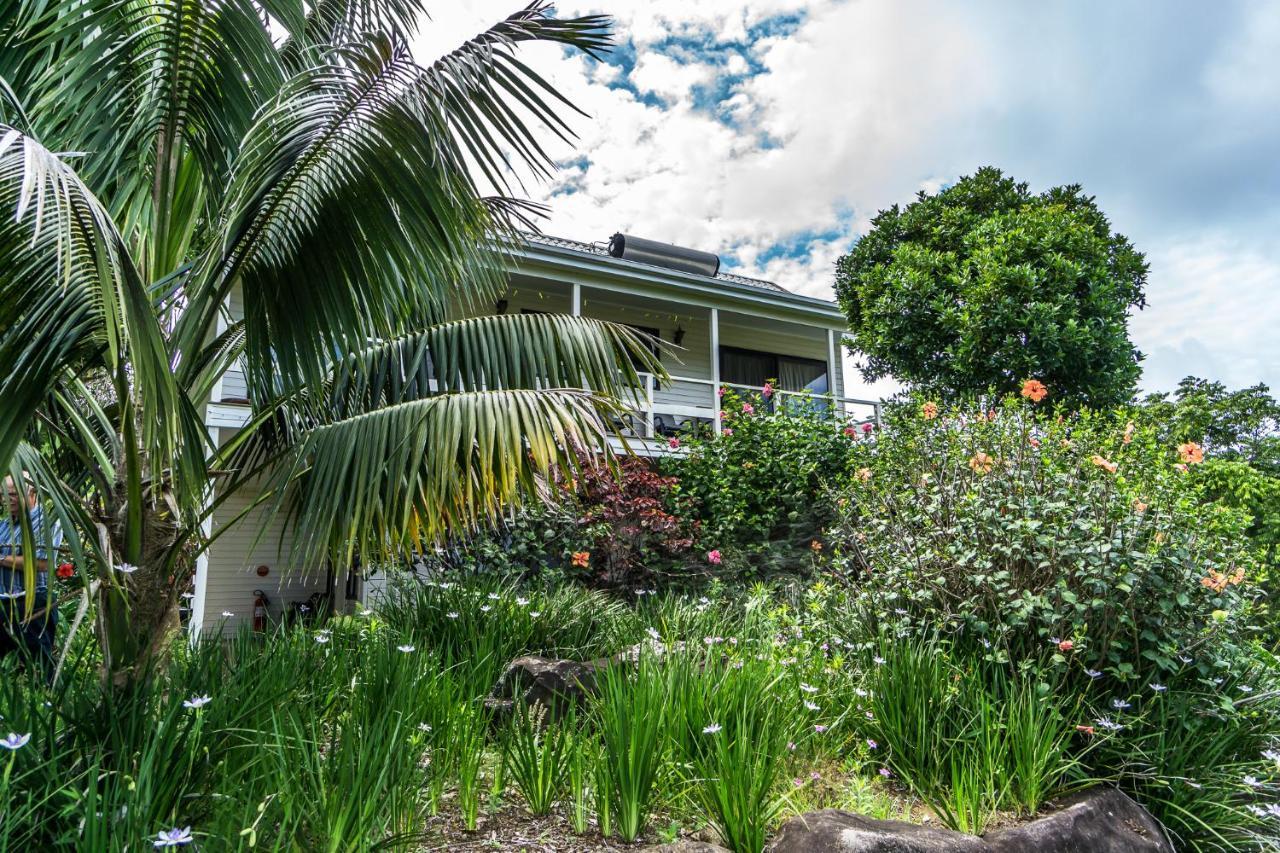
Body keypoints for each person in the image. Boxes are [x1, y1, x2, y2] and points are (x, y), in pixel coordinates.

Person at [0, 474, 63, 681]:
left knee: (38, 666)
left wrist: (1, 558)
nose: (6, 499)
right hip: (4, 603)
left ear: (32, 493)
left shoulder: (47, 521)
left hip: (32, 602)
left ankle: (48, 705)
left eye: (12, 494)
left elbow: (42, 563)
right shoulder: (5, 525)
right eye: (3, 495)